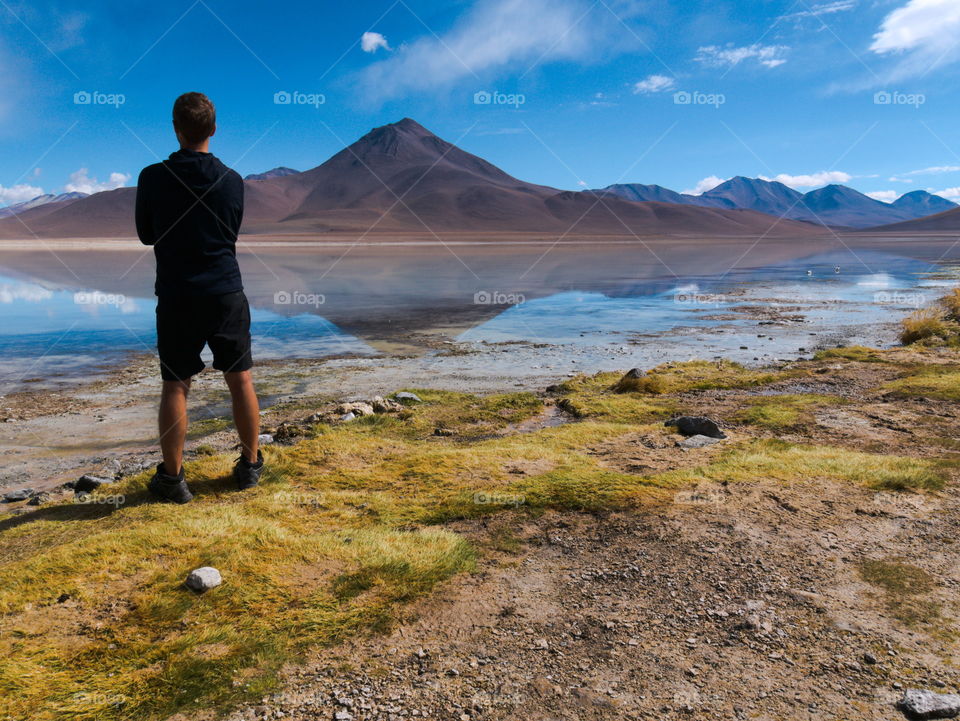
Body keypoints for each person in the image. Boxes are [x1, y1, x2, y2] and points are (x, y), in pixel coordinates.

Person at [135, 91, 263, 503]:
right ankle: (250, 467)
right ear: (214, 129)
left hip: (177, 295)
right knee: (240, 378)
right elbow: (230, 231)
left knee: (176, 385)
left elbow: (146, 234)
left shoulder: (153, 177)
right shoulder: (233, 180)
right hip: (225, 291)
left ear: (176, 129)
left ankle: (173, 480)